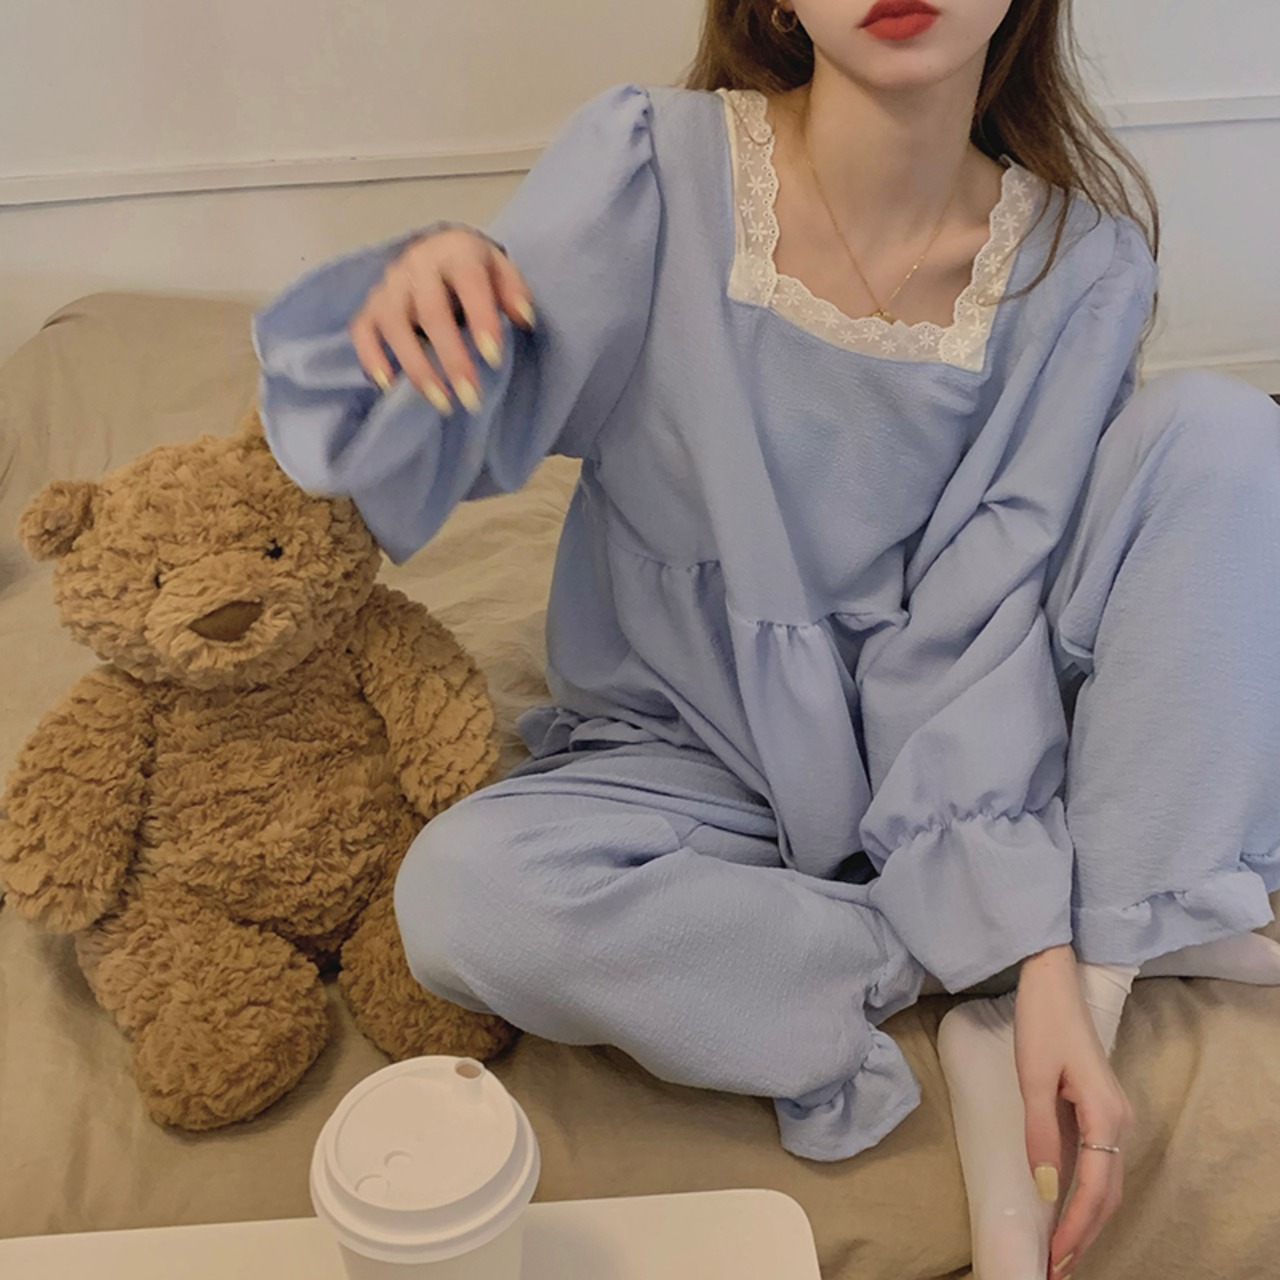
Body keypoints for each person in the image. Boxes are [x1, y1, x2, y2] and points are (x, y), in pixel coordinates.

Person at [251, 2, 1280, 1276]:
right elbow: (441, 426)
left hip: (987, 716)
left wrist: (1038, 937)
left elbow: (982, 615)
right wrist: (426, 307)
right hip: (696, 746)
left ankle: (1093, 965)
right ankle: (997, 947)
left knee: (1224, 436)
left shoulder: (1081, 264)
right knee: (463, 897)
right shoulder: (651, 168)